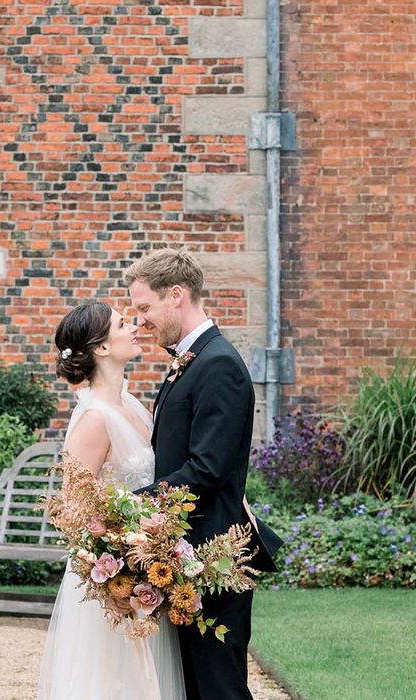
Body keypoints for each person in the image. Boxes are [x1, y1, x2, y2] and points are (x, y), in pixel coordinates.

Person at [125, 248, 282, 700]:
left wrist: (134, 502)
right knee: (195, 686)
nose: (141, 321)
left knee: (219, 688)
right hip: (188, 552)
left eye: (144, 308)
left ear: (176, 295)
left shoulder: (218, 366)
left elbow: (207, 469)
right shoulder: (190, 362)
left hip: (215, 555)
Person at [37, 302, 186, 700]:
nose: (135, 326)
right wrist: (115, 567)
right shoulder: (94, 419)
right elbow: (73, 510)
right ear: (101, 348)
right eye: (123, 324)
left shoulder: (132, 404)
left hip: (144, 566)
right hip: (110, 579)